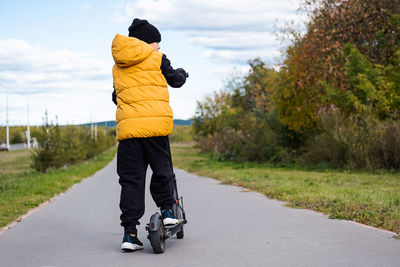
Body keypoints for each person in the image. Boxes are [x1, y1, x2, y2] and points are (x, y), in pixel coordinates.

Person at [111, 18, 188, 252]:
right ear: (148, 42)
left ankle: (130, 234)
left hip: (129, 134)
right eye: (157, 42)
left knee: (131, 182)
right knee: (162, 171)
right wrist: (184, 73)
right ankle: (167, 213)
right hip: (154, 129)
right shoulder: (158, 59)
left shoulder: (119, 65)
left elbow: (116, 97)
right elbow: (175, 80)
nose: (159, 46)